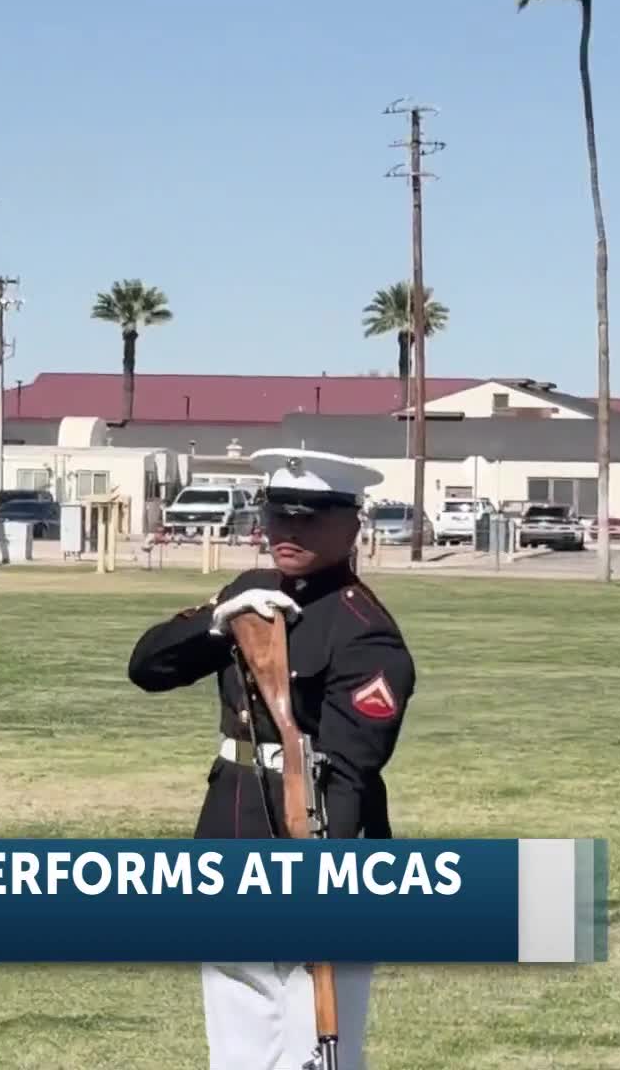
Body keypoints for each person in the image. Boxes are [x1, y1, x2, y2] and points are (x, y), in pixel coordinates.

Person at [127, 448, 416, 1070]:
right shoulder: (248, 594)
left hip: (315, 845)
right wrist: (216, 624)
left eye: (309, 519)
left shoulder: (362, 629)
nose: (288, 532)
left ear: (351, 526)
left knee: (315, 1045)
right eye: (277, 517)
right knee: (234, 1034)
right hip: (230, 829)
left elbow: (349, 769)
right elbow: (146, 669)